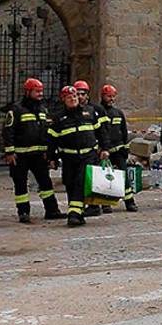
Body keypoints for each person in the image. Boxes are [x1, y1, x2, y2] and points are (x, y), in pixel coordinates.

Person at [2, 78, 63, 223]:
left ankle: (52, 210)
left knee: (46, 183)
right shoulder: (16, 109)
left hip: (38, 155)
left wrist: (49, 153)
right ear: (28, 92)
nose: (40, 94)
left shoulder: (43, 109)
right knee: (20, 184)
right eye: (37, 91)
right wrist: (10, 152)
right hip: (20, 155)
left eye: (41, 91)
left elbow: (46, 131)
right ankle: (23, 212)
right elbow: (8, 131)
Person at [48, 85, 107, 227]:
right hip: (68, 157)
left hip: (88, 156)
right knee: (70, 183)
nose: (73, 99)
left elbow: (101, 132)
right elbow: (51, 140)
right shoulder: (58, 118)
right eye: (70, 97)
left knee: (80, 183)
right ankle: (78, 213)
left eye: (75, 96)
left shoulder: (90, 112)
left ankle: (73, 214)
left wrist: (105, 148)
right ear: (64, 100)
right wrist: (52, 158)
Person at [74, 80, 109, 216]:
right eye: (77, 94)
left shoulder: (96, 110)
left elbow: (104, 130)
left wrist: (104, 147)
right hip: (80, 151)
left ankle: (98, 205)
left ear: (87, 94)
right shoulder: (72, 110)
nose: (80, 96)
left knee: (95, 179)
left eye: (82, 94)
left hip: (94, 150)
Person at [100, 84, 137, 212]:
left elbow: (124, 132)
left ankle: (130, 202)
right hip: (105, 152)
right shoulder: (99, 112)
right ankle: (105, 203)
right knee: (105, 178)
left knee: (124, 177)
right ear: (103, 96)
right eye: (108, 96)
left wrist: (125, 148)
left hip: (118, 150)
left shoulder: (118, 113)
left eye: (113, 96)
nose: (111, 99)